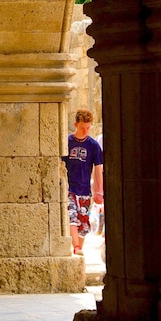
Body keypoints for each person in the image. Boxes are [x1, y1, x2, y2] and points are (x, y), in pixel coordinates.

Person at [62, 109, 103, 256]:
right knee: (72, 216)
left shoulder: (93, 146)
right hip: (69, 187)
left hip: (85, 189)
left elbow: (98, 169)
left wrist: (99, 191)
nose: (85, 131)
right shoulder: (67, 142)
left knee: (84, 225)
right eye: (82, 128)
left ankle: (78, 249)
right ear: (75, 125)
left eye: (88, 128)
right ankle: (76, 247)